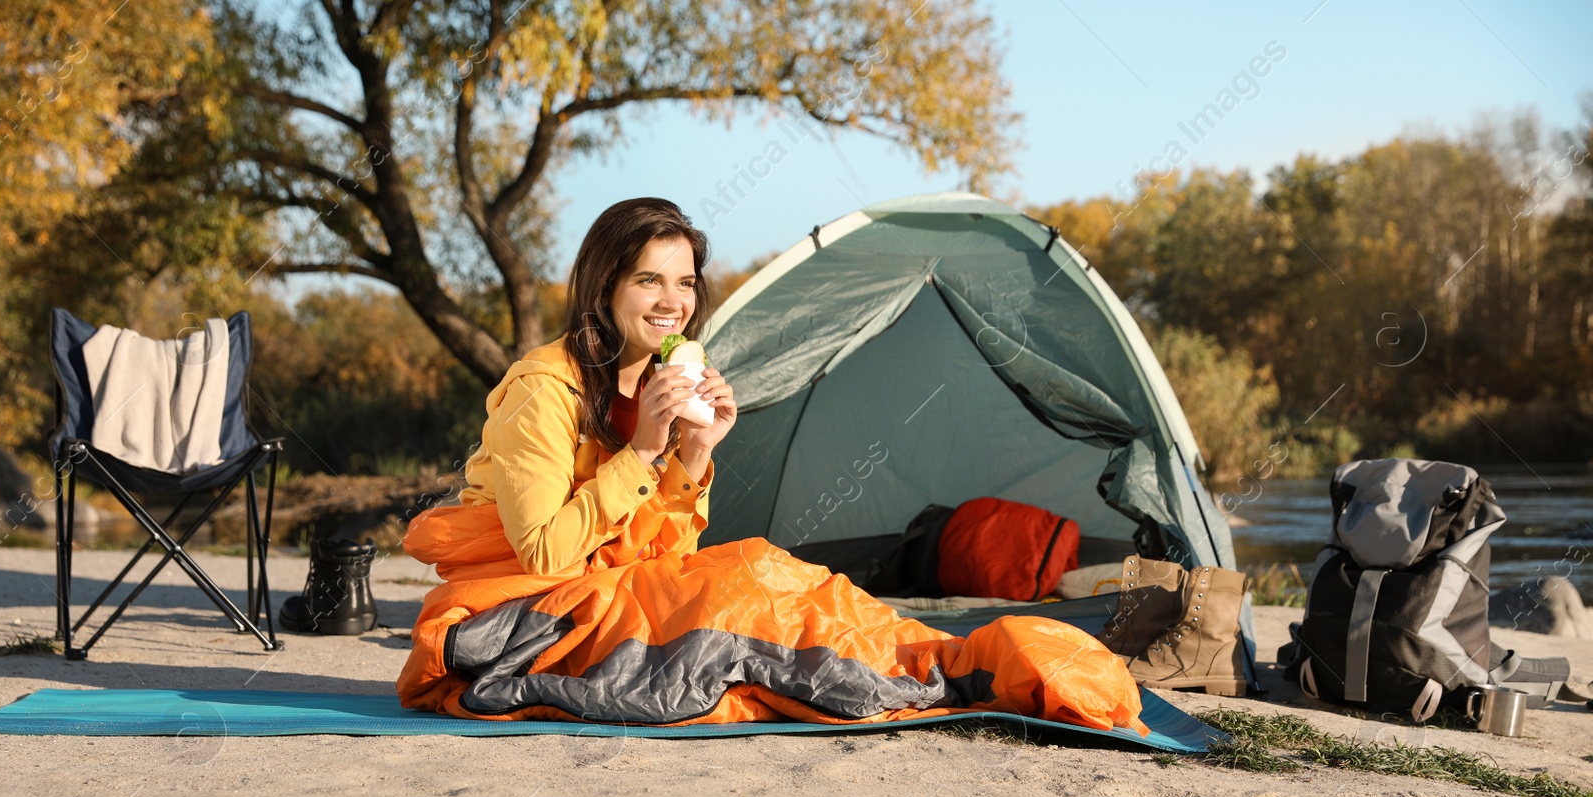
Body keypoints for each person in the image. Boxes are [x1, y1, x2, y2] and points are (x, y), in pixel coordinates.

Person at [397, 199, 1145, 737]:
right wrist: (647, 451)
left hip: (603, 601)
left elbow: (666, 564)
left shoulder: (655, 379)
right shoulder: (544, 389)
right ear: (604, 289)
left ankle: (940, 655)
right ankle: (947, 676)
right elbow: (547, 554)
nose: (673, 303)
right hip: (515, 621)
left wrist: (695, 452)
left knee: (773, 573)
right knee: (742, 591)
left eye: (685, 282)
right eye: (649, 282)